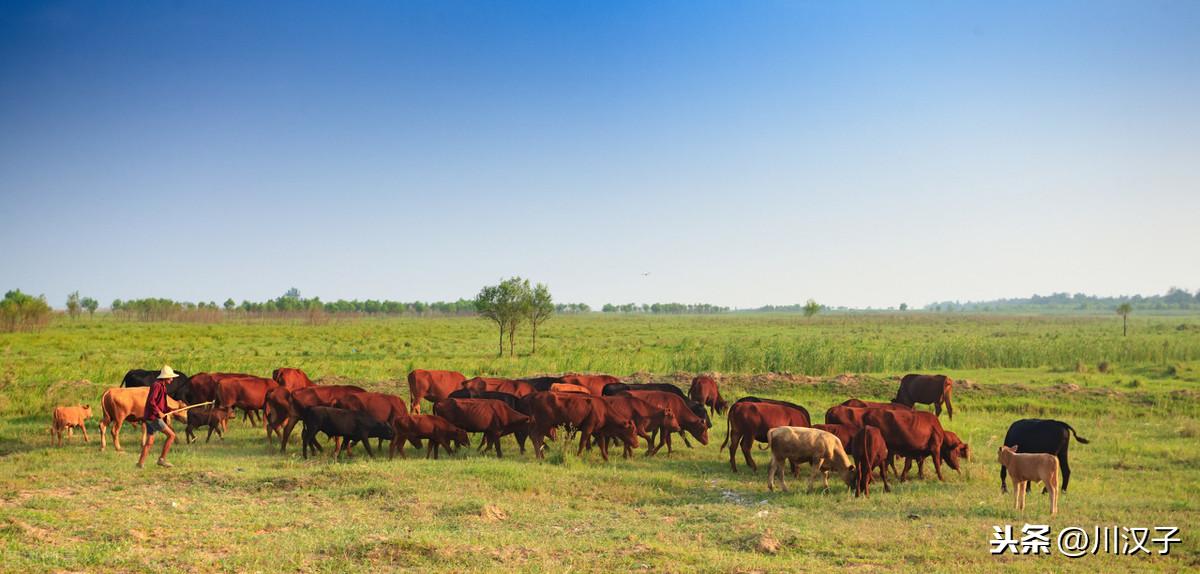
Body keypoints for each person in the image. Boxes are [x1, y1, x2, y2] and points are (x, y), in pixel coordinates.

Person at [137, 365, 178, 468]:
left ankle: (140, 463)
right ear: (165, 377)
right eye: (171, 377)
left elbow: (161, 404)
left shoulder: (162, 386)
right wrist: (158, 412)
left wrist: (170, 410)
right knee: (171, 435)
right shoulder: (157, 385)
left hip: (151, 416)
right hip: (153, 417)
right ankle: (162, 460)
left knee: (149, 442)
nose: (172, 379)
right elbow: (151, 401)